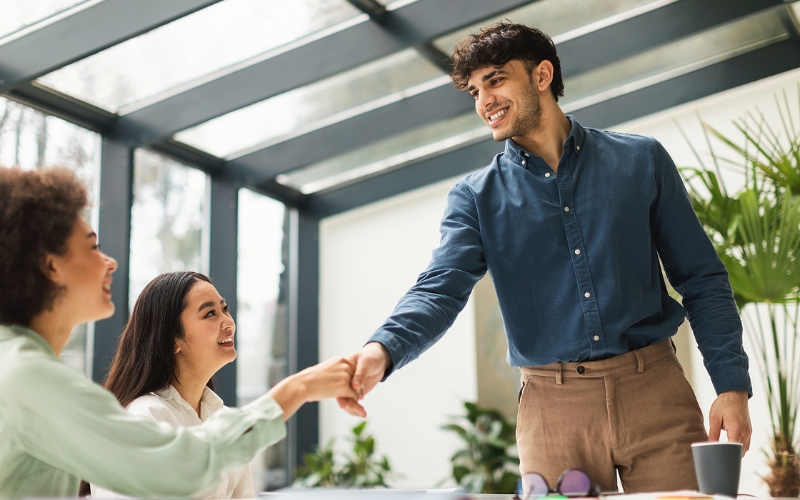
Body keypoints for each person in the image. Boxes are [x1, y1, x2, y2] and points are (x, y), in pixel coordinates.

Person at [337, 22, 752, 492]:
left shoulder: (641, 161)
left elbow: (701, 278)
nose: (483, 101)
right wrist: (382, 350)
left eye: (495, 80)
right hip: (551, 411)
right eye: (474, 91)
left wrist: (731, 387)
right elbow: (440, 288)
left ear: (541, 75)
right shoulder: (475, 197)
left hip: (655, 395)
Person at [0, 166, 358, 499]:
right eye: (93, 247)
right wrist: (298, 389)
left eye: (225, 308)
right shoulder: (25, 376)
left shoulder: (22, 369)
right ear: (51, 265)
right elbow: (179, 466)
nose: (110, 262)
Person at [90, 271, 258, 498]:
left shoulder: (225, 419)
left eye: (224, 309)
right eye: (210, 313)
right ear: (173, 340)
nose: (228, 323)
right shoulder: (144, 418)